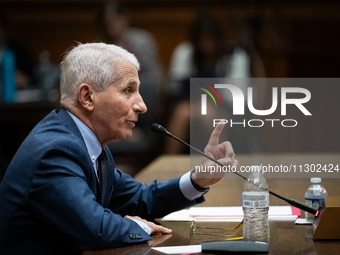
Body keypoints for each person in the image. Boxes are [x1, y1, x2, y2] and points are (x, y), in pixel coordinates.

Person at [0, 43, 237, 255]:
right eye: (128, 90)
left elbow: (140, 199)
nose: (142, 105)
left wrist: (197, 180)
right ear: (87, 97)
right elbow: (94, 229)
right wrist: (139, 226)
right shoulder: (57, 151)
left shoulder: (89, 145)